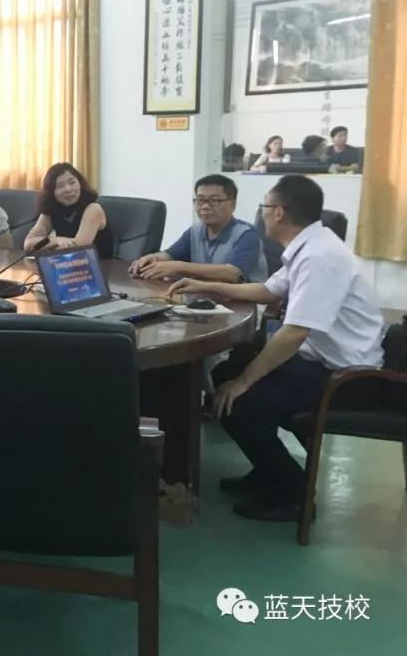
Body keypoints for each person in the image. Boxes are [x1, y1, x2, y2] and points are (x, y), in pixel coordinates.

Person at [168, 175, 384, 522]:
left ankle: (294, 493)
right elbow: (268, 291)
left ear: (279, 212)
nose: (262, 214)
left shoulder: (319, 257)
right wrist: (203, 285)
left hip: (345, 378)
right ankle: (268, 471)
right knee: (227, 371)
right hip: (322, 362)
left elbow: (294, 332)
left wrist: (245, 382)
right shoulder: (309, 245)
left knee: (240, 400)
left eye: (264, 207)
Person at [129, 174, 265, 283]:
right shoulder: (195, 231)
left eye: (214, 200)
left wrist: (178, 267)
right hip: (205, 298)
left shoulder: (246, 234)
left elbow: (233, 273)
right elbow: (169, 255)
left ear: (233, 205)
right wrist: (153, 259)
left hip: (245, 304)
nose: (205, 206)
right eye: (200, 200)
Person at [24, 163, 113, 257]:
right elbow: (29, 244)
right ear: (51, 192)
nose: (68, 189)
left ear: (80, 184)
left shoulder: (93, 209)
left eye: (72, 182)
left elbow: (78, 248)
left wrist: (47, 246)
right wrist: (57, 240)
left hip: (101, 264)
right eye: (60, 186)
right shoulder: (51, 209)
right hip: (67, 264)